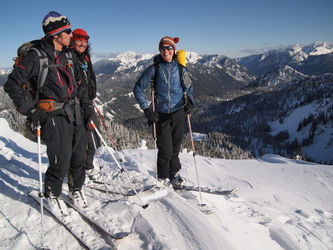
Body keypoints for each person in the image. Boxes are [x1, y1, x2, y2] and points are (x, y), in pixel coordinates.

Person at [4, 11, 91, 208]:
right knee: (61, 159)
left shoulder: (68, 54)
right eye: (67, 31)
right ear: (56, 35)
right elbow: (12, 85)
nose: (71, 35)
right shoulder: (36, 57)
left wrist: (86, 104)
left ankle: (76, 189)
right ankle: (52, 194)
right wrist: (31, 110)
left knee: (79, 157)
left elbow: (81, 82)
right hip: (53, 115)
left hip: (75, 112)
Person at [133, 36, 194, 188]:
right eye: (162, 48)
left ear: (174, 50)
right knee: (165, 149)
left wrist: (190, 102)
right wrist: (147, 109)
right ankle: (162, 177)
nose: (166, 51)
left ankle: (173, 174)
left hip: (178, 112)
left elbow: (189, 87)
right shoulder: (154, 69)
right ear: (159, 50)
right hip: (161, 115)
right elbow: (138, 88)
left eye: (169, 48)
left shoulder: (180, 69)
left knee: (175, 147)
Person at [70, 28, 100, 181]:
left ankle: (87, 165)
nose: (82, 44)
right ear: (72, 41)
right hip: (75, 105)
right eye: (78, 40)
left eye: (84, 41)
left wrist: (91, 96)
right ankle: (80, 169)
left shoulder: (85, 57)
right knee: (82, 139)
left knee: (94, 137)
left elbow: (90, 79)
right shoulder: (69, 58)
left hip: (87, 102)